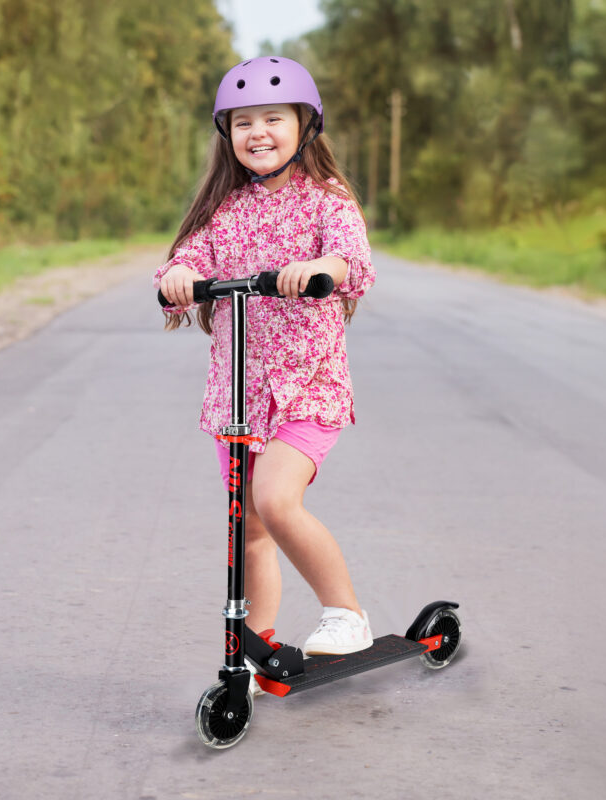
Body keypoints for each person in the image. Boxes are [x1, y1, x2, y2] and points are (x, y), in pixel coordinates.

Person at [154, 56, 376, 665]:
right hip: (239, 396)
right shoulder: (226, 210)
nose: (258, 132)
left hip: (308, 388)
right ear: (227, 134)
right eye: (243, 121)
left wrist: (319, 268)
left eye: (273, 118)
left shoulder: (327, 200)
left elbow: (350, 260)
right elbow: (189, 256)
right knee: (249, 528)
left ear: (305, 125)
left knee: (276, 502)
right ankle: (258, 648)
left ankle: (347, 614)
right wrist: (179, 275)